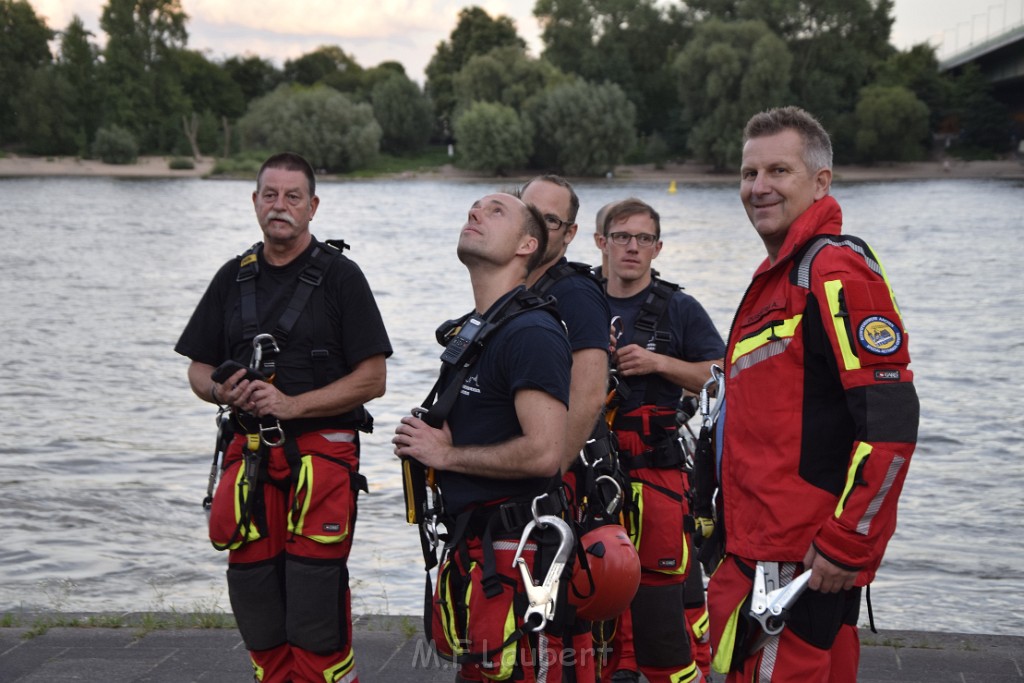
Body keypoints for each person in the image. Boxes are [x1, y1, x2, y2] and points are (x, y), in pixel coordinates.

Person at [705, 106, 919, 682]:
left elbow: (892, 422)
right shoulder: (781, 271)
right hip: (758, 553)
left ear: (820, 181)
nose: (759, 187)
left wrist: (847, 543)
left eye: (779, 171)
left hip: (801, 566)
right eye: (749, 174)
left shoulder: (835, 271)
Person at [175, 152, 392, 683]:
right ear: (254, 203)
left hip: (322, 459)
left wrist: (292, 406)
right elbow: (198, 370)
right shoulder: (232, 277)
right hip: (247, 458)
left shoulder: (342, 278)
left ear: (313, 206)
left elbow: (373, 379)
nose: (280, 206)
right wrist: (222, 391)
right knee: (256, 603)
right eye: (270, 195)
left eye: (293, 196)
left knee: (314, 603)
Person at [393, 193, 575, 682]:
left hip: (517, 560)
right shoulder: (479, 329)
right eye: (473, 207)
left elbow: (544, 452)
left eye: (495, 211)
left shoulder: (531, 332)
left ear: (526, 245)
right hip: (476, 552)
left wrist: (446, 453)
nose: (474, 213)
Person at [599, 198, 723, 683]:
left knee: (661, 593)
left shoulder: (681, 308)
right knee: (594, 586)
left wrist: (658, 364)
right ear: (600, 243)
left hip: (658, 473)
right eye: (622, 236)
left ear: (658, 248)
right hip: (589, 473)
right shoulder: (577, 299)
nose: (632, 247)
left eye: (643, 238)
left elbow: (720, 375)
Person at [520, 175, 613, 680]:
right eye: (527, 211)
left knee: (554, 635)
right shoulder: (513, 286)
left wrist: (548, 470)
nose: (535, 226)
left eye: (549, 220)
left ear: (570, 233)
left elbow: (590, 393)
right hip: (515, 492)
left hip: (552, 495)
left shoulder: (573, 292)